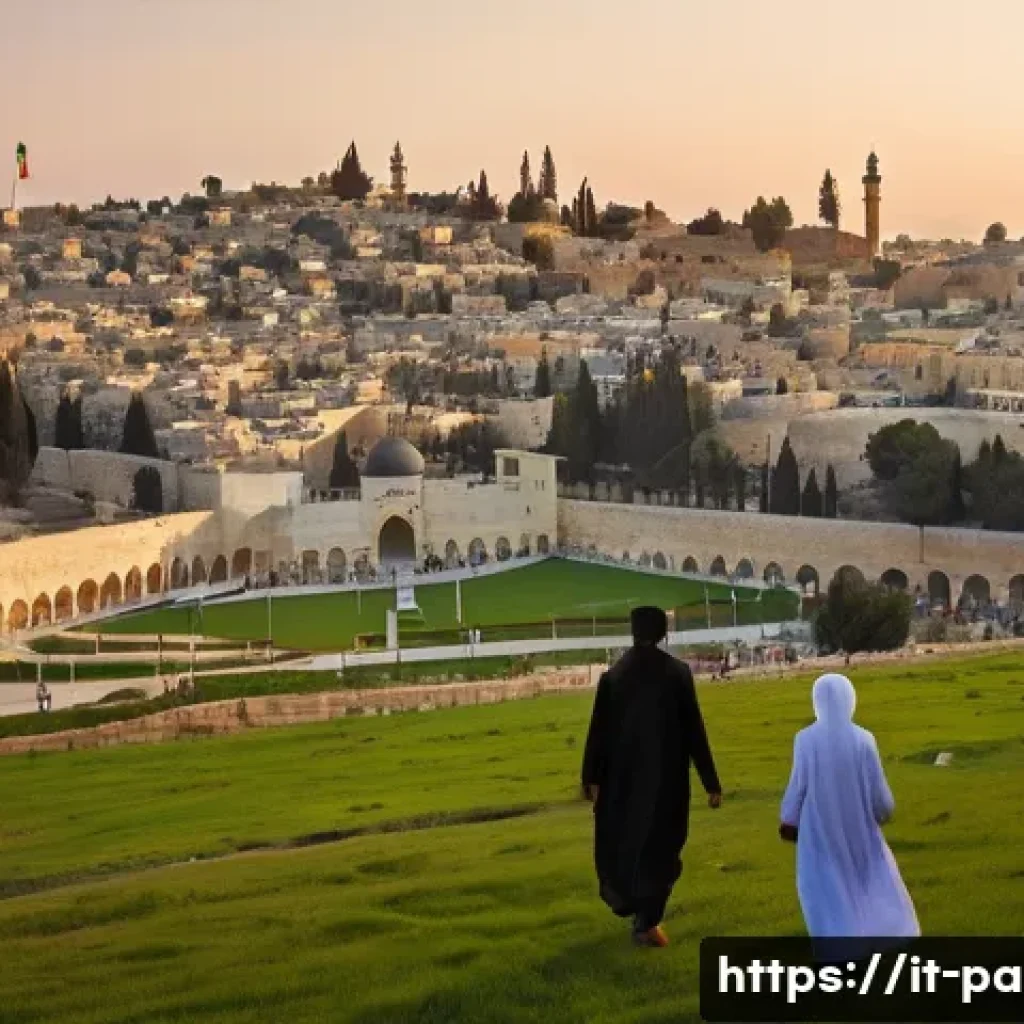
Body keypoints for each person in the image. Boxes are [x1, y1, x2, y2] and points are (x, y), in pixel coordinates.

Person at [582, 606, 722, 948]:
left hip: (621, 783)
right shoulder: (676, 673)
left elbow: (597, 733)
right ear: (663, 633)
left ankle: (638, 914)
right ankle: (646, 922)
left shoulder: (614, 676)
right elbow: (694, 730)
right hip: (665, 781)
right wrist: (711, 782)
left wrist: (590, 779)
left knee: (629, 846)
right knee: (663, 850)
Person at [780, 674, 919, 948]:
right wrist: (883, 811)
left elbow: (798, 785)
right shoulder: (864, 739)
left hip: (820, 831)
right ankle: (881, 935)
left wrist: (789, 819)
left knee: (828, 888)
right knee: (868, 881)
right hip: (859, 827)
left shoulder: (805, 740)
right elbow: (879, 792)